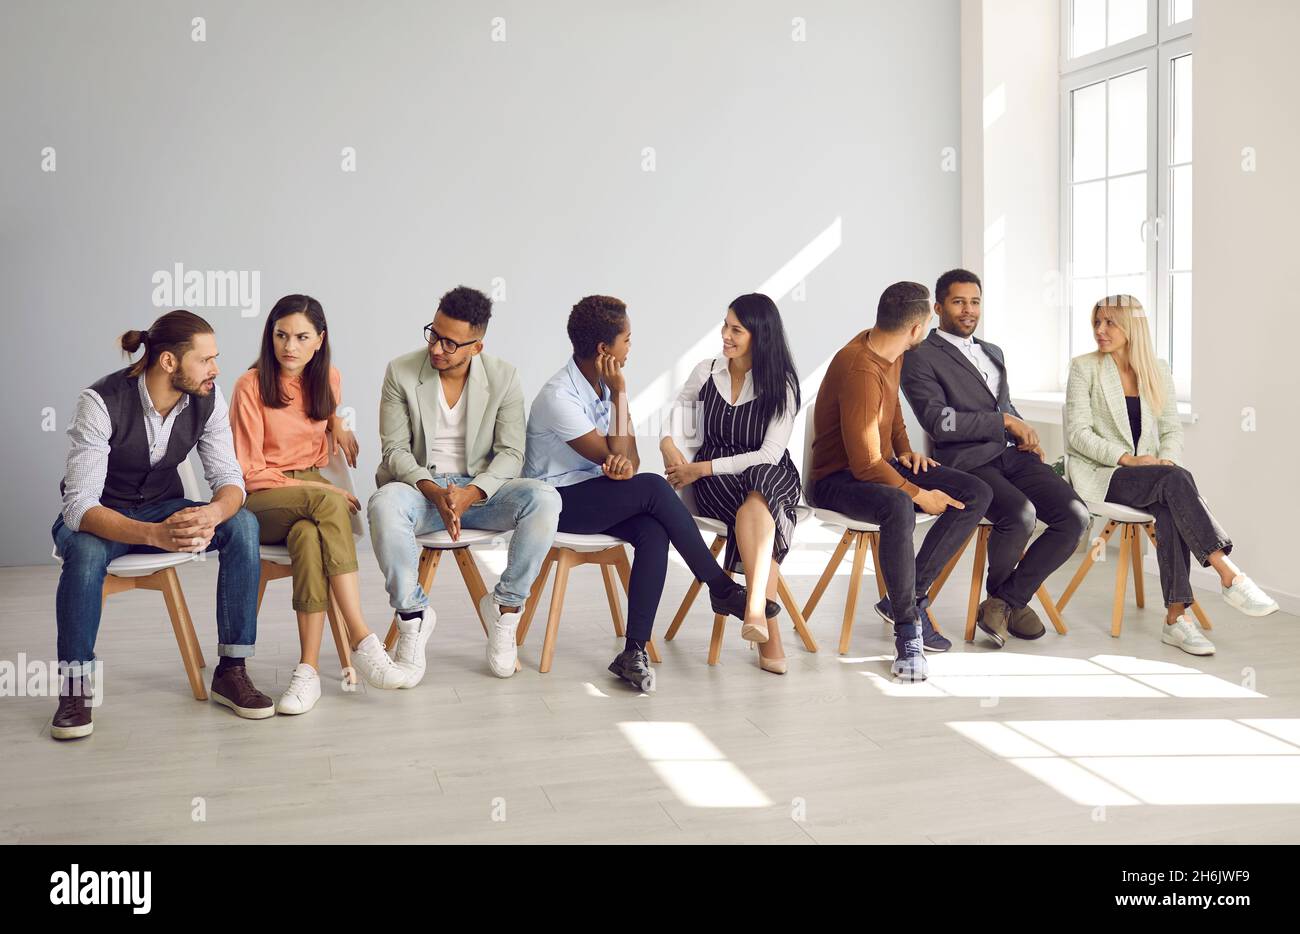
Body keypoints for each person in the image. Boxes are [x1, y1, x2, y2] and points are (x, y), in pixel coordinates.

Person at [51, 310, 270, 739]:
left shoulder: (208, 398)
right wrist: (153, 535)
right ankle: (74, 689)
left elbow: (230, 481)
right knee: (86, 550)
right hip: (103, 517)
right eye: (205, 360)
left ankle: (232, 670)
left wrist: (211, 512)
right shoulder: (100, 401)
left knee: (241, 524)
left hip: (161, 507)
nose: (216, 369)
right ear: (168, 362)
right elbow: (79, 507)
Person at [524, 295, 750, 692]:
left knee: (652, 528)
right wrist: (622, 395)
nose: (631, 348)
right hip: (554, 504)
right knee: (654, 487)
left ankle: (633, 651)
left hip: (593, 495)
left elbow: (629, 458)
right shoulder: (560, 397)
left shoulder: (602, 386)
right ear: (603, 349)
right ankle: (719, 586)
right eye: (626, 340)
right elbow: (617, 457)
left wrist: (618, 417)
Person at [367, 286, 561, 682]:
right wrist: (434, 491)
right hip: (421, 491)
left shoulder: (504, 377)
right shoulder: (401, 371)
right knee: (384, 503)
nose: (437, 348)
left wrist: (472, 492)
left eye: (450, 343)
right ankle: (413, 617)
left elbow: (511, 453)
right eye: (433, 334)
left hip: (480, 492)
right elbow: (395, 452)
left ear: (476, 346)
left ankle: (505, 609)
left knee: (544, 499)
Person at [1065, 295, 1278, 655]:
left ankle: (1176, 619)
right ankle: (1228, 573)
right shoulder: (1084, 367)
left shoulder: (1157, 369)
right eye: (1096, 322)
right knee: (1174, 481)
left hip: (1151, 478)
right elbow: (1078, 434)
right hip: (1104, 473)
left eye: (1109, 323)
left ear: (1132, 327)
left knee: (1170, 500)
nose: (1100, 331)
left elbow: (1171, 432)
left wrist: (1163, 462)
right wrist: (1129, 460)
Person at [231, 294, 408, 713]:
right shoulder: (250, 386)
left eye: (301, 337)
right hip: (262, 496)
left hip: (308, 496)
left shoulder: (328, 378)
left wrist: (338, 424)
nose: (289, 347)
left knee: (310, 537)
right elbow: (250, 471)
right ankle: (364, 639)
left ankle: (306, 671)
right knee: (331, 505)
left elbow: (319, 409)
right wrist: (326, 490)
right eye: (281, 335)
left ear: (319, 340)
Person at [808, 282, 992, 681]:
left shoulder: (890, 351)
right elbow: (865, 465)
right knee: (897, 505)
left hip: (879, 465)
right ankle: (907, 630)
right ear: (916, 328)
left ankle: (901, 600)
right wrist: (917, 493)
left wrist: (907, 452)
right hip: (836, 480)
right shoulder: (859, 368)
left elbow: (891, 414)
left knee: (976, 492)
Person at [901, 269, 1090, 647]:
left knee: (1076, 517)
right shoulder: (919, 356)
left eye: (974, 302)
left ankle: (1004, 600)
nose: (968, 310)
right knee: (1020, 515)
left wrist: (1021, 427)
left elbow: (1002, 404)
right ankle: (1007, 602)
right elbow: (941, 423)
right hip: (968, 463)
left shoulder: (992, 351)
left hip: (1012, 456)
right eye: (958, 302)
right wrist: (1002, 421)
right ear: (938, 307)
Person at [661, 293, 802, 675]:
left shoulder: (782, 385)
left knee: (761, 484)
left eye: (736, 329)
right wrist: (667, 442)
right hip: (717, 487)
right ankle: (760, 615)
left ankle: (754, 606)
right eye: (725, 325)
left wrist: (701, 468)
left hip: (767, 476)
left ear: (760, 334)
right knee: (760, 506)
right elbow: (677, 414)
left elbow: (769, 455)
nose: (725, 335)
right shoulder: (706, 372)